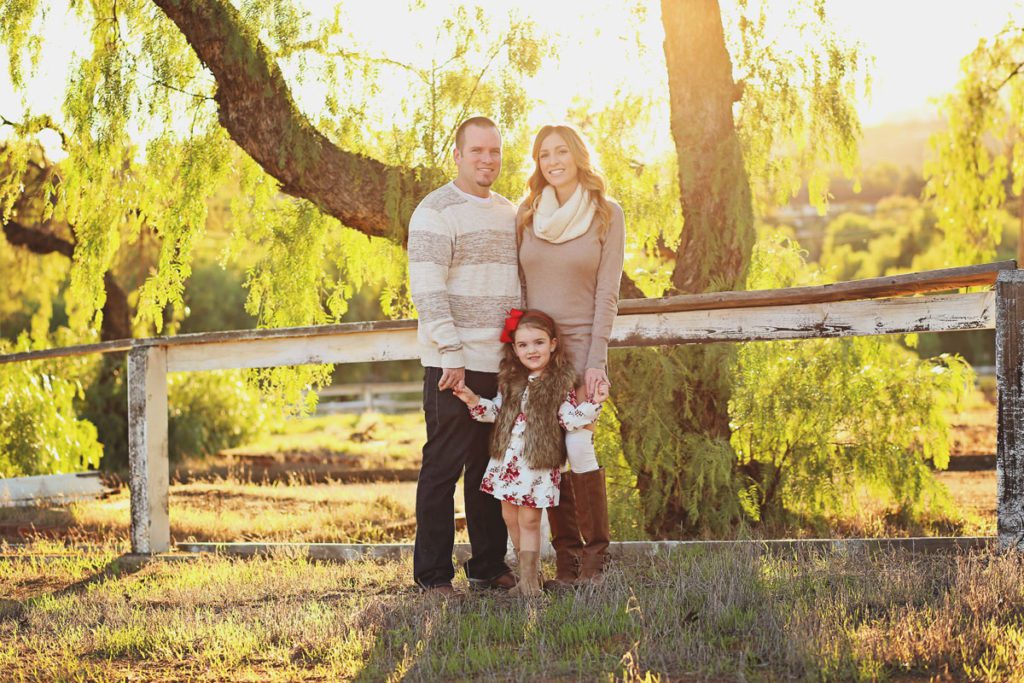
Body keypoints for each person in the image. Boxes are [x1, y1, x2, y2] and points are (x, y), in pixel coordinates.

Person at [407, 116, 522, 595]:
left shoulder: (510, 212)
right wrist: (451, 352)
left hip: (501, 364)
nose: (487, 159)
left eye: (494, 151)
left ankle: (487, 565)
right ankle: (432, 575)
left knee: (489, 469)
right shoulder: (436, 211)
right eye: (477, 151)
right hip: (452, 366)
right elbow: (428, 288)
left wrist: (519, 352)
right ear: (456, 154)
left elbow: (516, 286)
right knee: (443, 468)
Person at [516, 124, 625, 586]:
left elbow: (608, 294)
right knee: (548, 454)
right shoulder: (526, 214)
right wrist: (522, 353)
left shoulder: (606, 213)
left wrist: (595, 360)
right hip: (539, 354)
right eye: (544, 154)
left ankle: (596, 559)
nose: (553, 160)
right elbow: (520, 292)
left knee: (580, 444)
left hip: (582, 350)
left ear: (578, 155)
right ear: (538, 163)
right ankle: (567, 561)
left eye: (561, 151)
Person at [453, 309, 607, 596]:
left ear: (552, 343)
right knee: (510, 516)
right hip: (507, 459)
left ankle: (532, 586)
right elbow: (497, 413)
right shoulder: (511, 380)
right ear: (514, 349)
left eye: (538, 342)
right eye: (523, 345)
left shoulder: (560, 382)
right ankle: (527, 578)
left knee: (530, 519)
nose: (531, 350)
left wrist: (594, 404)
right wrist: (473, 399)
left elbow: (570, 419)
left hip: (536, 462)